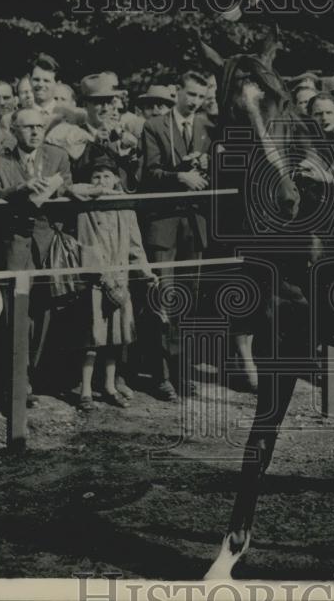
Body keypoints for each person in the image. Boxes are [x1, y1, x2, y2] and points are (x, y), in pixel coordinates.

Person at [0, 108, 93, 405]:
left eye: (39, 127)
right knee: (15, 311)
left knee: (44, 311)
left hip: (47, 243)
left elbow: (66, 186)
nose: (34, 132)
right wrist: (20, 188)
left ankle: (32, 373)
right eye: (27, 127)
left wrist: (72, 190)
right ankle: (15, 381)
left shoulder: (58, 157)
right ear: (14, 131)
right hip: (14, 244)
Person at [139, 71, 214, 400]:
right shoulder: (155, 126)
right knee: (163, 300)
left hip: (194, 225)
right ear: (177, 92)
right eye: (190, 94)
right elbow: (150, 173)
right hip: (164, 224)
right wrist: (179, 178)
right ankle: (161, 376)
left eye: (200, 96)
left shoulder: (207, 127)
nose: (195, 101)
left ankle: (183, 370)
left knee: (189, 301)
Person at [74, 155, 159, 412]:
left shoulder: (126, 209)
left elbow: (136, 246)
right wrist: (102, 276)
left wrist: (147, 272)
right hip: (97, 282)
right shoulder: (85, 210)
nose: (102, 181)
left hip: (121, 281)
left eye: (107, 176)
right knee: (93, 337)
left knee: (116, 337)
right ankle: (86, 389)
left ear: (116, 180)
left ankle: (110, 385)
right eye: (96, 177)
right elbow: (85, 244)